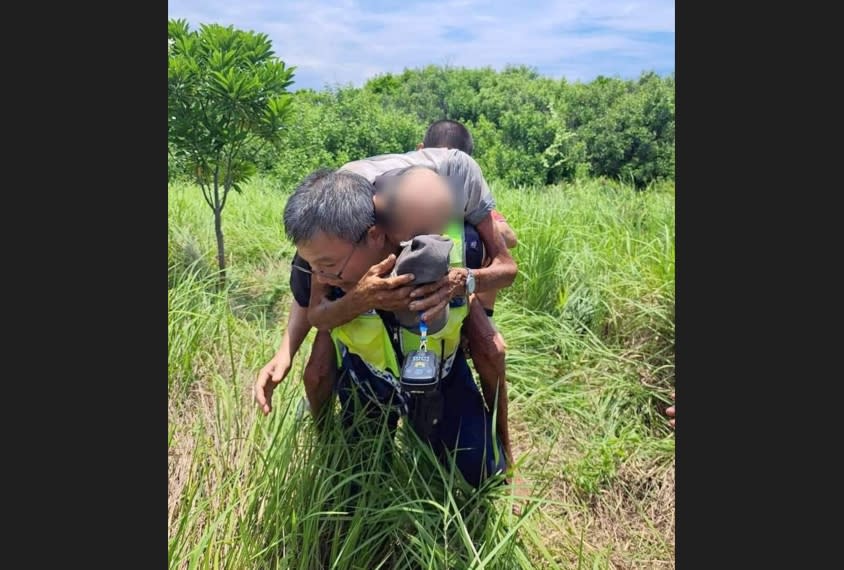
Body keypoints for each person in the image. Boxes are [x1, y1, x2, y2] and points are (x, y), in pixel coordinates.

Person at [255, 134, 518, 466]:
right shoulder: (330, 232)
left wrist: (461, 282)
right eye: (411, 242)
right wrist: (357, 300)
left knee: (482, 470)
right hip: (369, 374)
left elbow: (506, 266)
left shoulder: (462, 189)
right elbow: (315, 311)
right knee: (356, 477)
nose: (417, 249)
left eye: (431, 239)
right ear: (378, 233)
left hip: (442, 367)